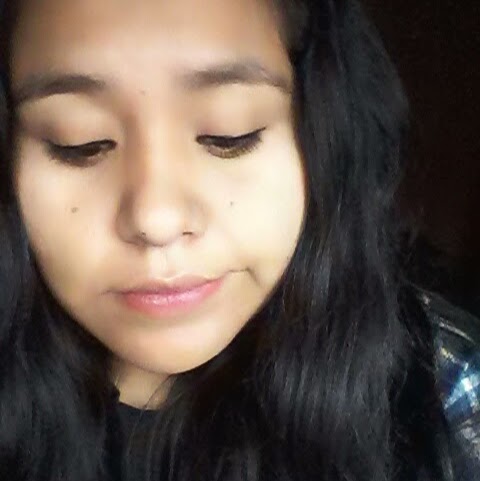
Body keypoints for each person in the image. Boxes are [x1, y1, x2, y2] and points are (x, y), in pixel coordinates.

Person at [0, 0, 478, 480]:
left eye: (230, 135)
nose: (157, 221)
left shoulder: (446, 393)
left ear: (322, 136)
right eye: (79, 143)